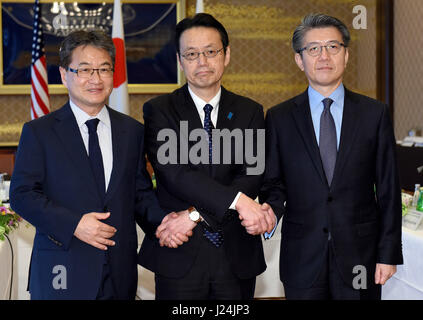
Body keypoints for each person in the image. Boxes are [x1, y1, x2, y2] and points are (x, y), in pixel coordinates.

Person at [10, 30, 172, 300]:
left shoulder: (132, 131)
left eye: (104, 69)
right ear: (64, 75)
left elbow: (139, 193)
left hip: (119, 272)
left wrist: (166, 224)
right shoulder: (40, 132)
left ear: (113, 74)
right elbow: (22, 195)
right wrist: (74, 224)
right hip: (62, 268)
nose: (95, 79)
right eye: (84, 70)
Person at [260, 13, 403, 300]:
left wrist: (388, 254)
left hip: (360, 256)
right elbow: (273, 184)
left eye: (333, 47)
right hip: (302, 257)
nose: (324, 56)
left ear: (346, 55)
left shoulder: (374, 114)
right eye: (313, 48)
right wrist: (268, 214)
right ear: (299, 60)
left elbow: (388, 190)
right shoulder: (279, 117)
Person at [138, 13, 276, 300]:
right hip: (180, 255)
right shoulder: (160, 110)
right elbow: (175, 174)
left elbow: (251, 175)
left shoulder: (250, 111)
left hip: (235, 255)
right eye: (191, 54)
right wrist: (237, 201)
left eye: (210, 52)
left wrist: (194, 215)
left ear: (226, 55)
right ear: (180, 60)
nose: (202, 62)